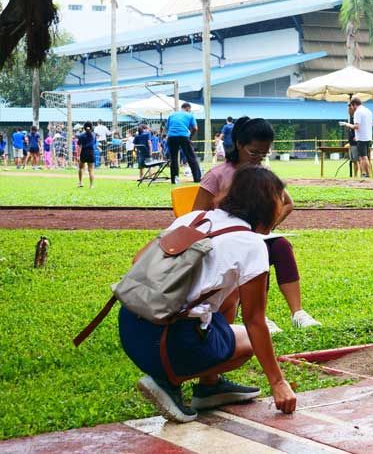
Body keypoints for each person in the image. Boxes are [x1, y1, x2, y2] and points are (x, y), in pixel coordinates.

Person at [118, 167, 297, 423]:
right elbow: (255, 320)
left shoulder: (193, 219)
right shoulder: (252, 244)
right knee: (247, 342)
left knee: (231, 294)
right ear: (266, 205)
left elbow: (138, 261)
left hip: (130, 329)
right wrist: (278, 382)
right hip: (170, 345)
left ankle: (209, 387)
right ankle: (168, 381)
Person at [194, 117, 321, 334]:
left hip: (252, 238)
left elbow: (287, 204)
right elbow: (196, 216)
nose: (258, 159)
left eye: (264, 154)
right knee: (253, 252)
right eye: (254, 153)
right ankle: (258, 316)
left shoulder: (263, 176)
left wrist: (266, 229)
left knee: (280, 246)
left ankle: (298, 313)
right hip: (224, 242)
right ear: (238, 145)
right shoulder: (217, 175)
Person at [166, 102, 201, 184]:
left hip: (171, 137)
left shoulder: (172, 115)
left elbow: (167, 127)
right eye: (190, 109)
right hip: (183, 136)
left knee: (173, 159)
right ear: (188, 108)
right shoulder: (190, 115)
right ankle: (197, 178)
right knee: (191, 157)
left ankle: (174, 180)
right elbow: (195, 128)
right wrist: (190, 137)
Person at [346, 98, 373, 178]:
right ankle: (365, 174)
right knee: (365, 156)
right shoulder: (368, 111)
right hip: (368, 136)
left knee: (363, 157)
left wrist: (347, 125)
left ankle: (368, 174)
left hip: (361, 137)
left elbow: (356, 126)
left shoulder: (358, 112)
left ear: (354, 104)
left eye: (352, 106)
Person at [77, 122, 97, 188]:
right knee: (91, 169)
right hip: (91, 152)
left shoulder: (81, 135)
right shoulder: (94, 135)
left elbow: (79, 146)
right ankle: (91, 185)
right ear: (91, 127)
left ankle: (80, 182)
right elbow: (94, 144)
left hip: (84, 152)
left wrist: (78, 155)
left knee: (80, 168)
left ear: (84, 127)